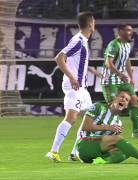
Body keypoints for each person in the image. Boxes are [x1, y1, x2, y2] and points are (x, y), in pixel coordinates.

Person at [46, 12, 95, 162]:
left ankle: (75, 152)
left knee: (91, 117)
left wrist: (92, 71)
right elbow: (59, 58)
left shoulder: (83, 41)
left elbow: (77, 62)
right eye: (94, 23)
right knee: (71, 118)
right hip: (75, 86)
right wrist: (72, 77)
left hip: (82, 88)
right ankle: (53, 151)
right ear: (91, 24)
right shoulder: (78, 41)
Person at [76, 91, 138, 164]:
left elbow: (109, 141)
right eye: (122, 97)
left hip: (97, 149)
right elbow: (85, 127)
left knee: (125, 151)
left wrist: (114, 135)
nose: (124, 100)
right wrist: (108, 128)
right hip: (83, 145)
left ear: (126, 106)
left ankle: (104, 162)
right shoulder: (98, 107)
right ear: (115, 98)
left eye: (127, 100)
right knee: (118, 140)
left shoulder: (118, 123)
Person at [101, 24, 138, 139]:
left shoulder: (127, 45)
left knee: (135, 100)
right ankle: (103, 130)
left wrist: (131, 77)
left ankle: (137, 131)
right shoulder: (114, 44)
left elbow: (127, 60)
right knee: (115, 107)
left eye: (131, 30)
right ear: (120, 32)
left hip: (122, 79)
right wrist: (119, 74)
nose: (131, 32)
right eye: (128, 30)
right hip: (110, 80)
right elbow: (108, 63)